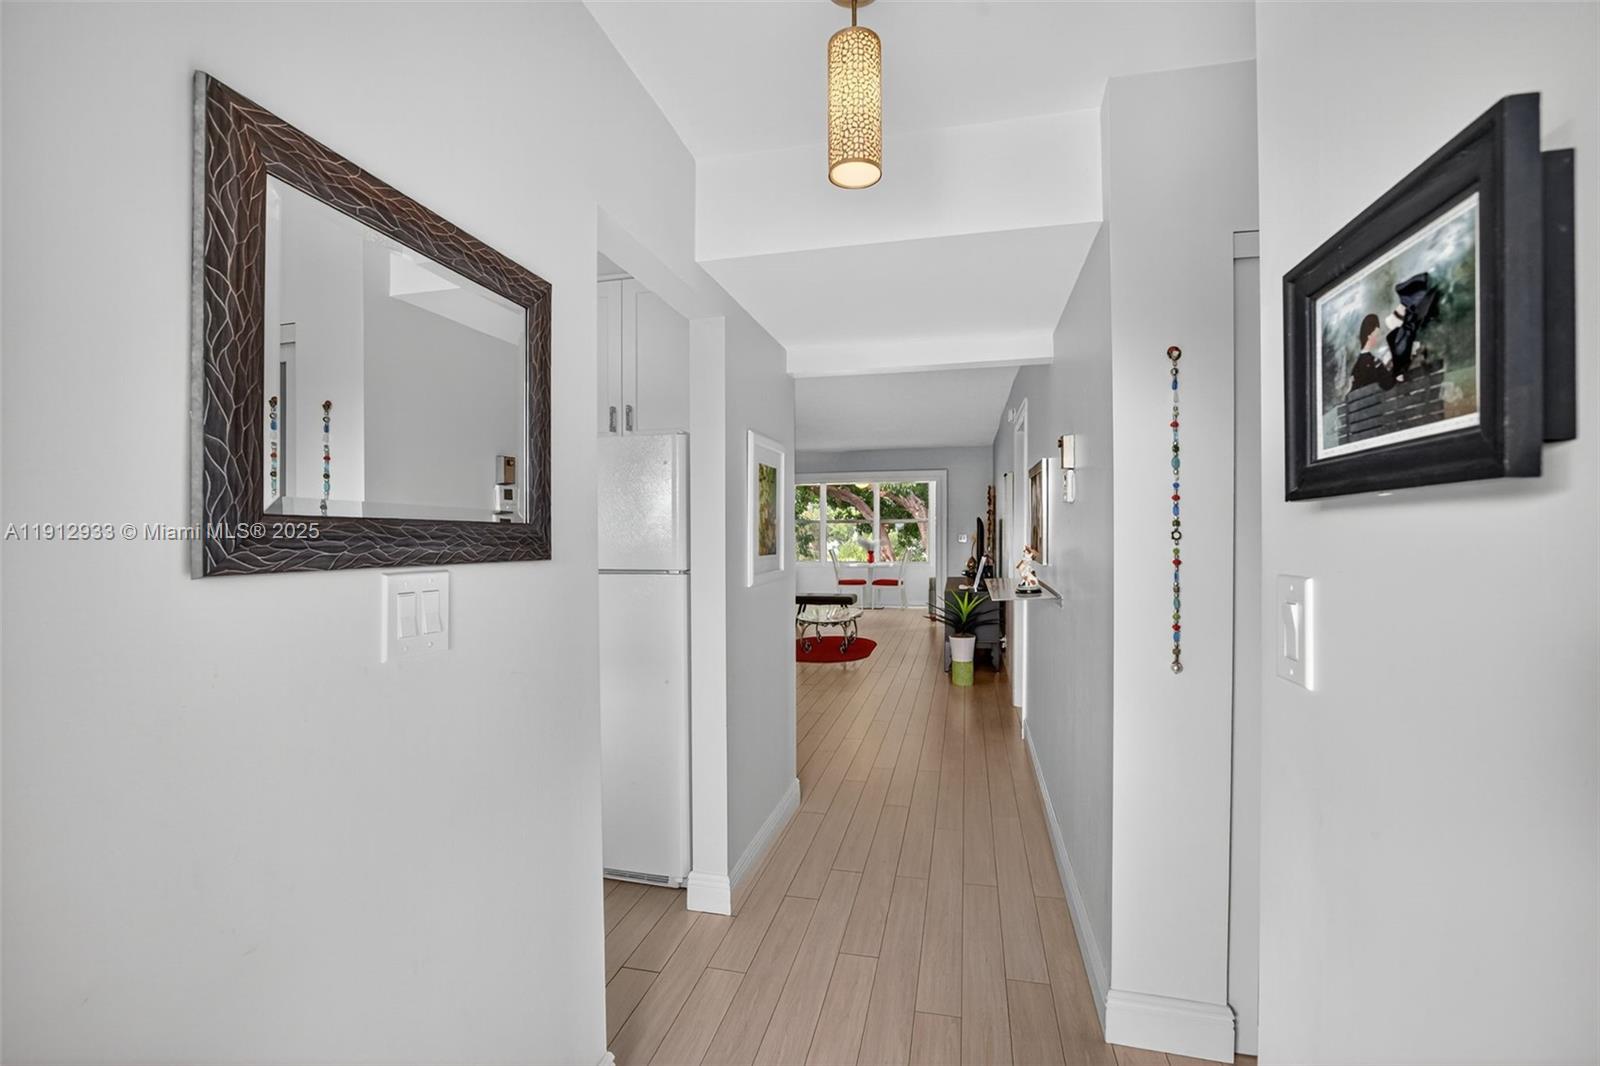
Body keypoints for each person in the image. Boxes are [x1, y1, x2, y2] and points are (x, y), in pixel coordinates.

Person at [1350, 312, 1398, 392]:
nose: (1377, 339)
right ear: (1369, 336)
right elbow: (1387, 384)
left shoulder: (1355, 363)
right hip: (1375, 400)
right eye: (1376, 336)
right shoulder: (1373, 361)